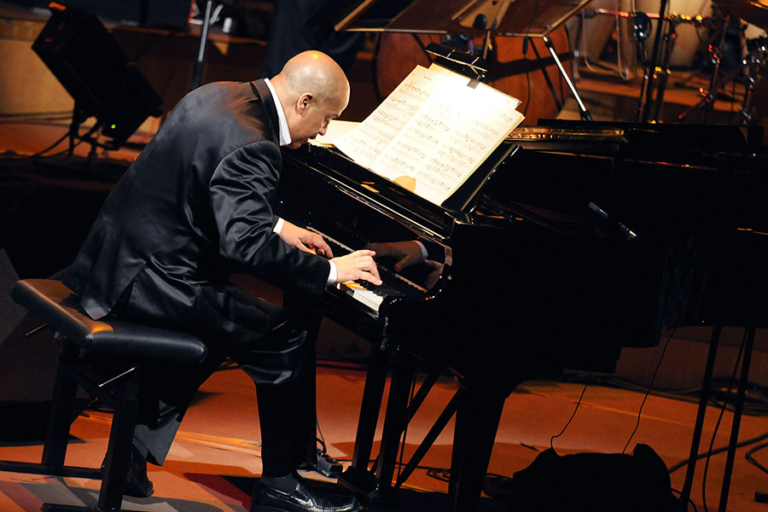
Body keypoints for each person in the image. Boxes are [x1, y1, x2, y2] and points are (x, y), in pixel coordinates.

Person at [64, 50, 381, 512]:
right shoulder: (257, 144)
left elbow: (205, 183)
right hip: (150, 280)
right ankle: (281, 484)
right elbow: (243, 246)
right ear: (305, 102)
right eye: (328, 118)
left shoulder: (217, 94)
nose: (324, 131)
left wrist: (278, 225)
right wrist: (332, 271)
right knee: (283, 333)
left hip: (114, 260)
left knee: (228, 323)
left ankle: (131, 450)